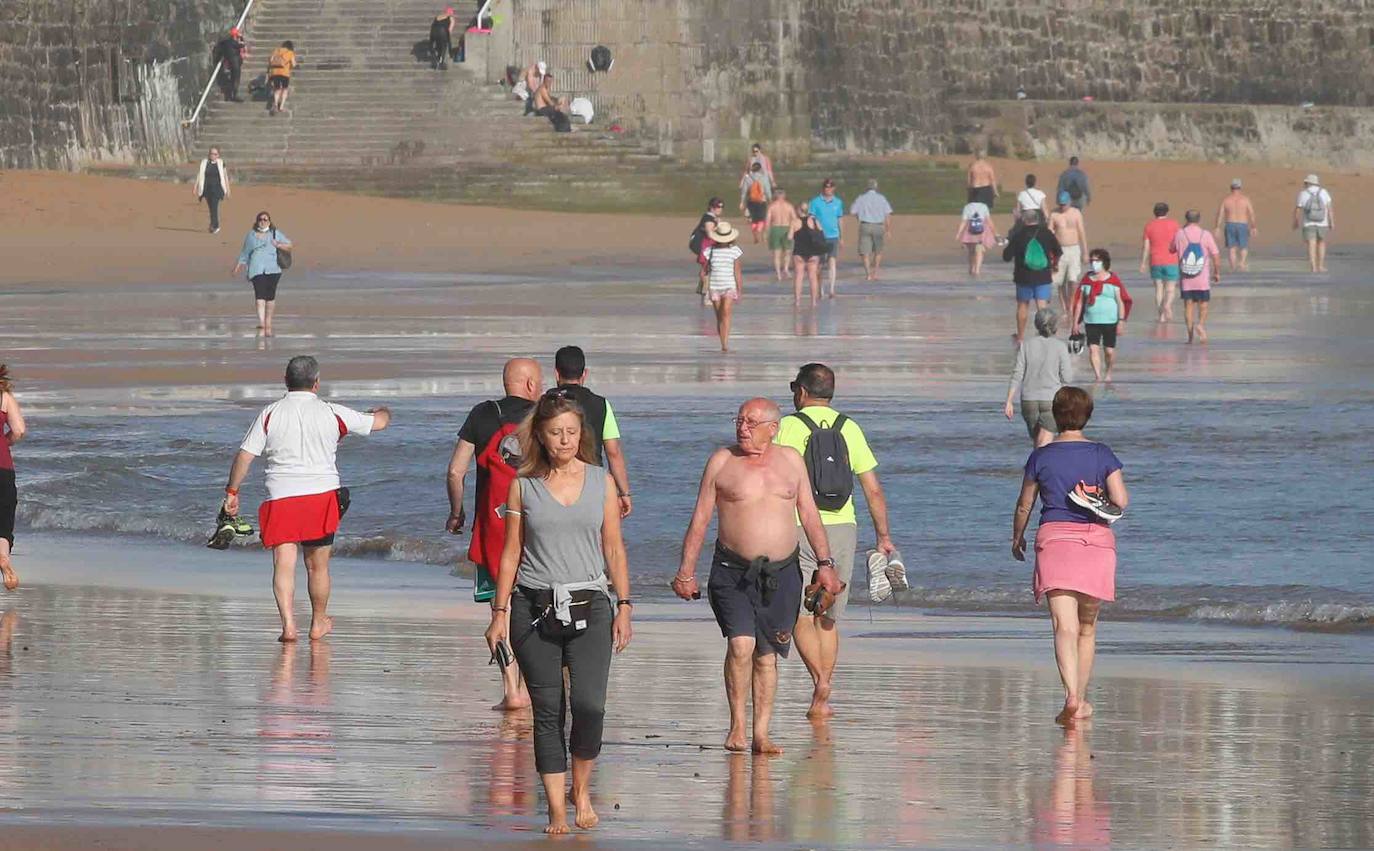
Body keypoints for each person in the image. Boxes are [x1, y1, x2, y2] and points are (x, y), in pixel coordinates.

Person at [482, 390, 632, 835]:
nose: (564, 440)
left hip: (592, 606)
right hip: (533, 607)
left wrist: (624, 605)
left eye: (571, 432)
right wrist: (499, 611)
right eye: (555, 433)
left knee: (589, 707)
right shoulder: (522, 485)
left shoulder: (602, 481)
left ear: (580, 434)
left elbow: (613, 548)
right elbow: (510, 552)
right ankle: (557, 810)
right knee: (548, 710)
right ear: (541, 437)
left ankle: (580, 789)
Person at [672, 398, 841, 753]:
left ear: (773, 428)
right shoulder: (722, 461)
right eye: (739, 421)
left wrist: (825, 564)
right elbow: (700, 518)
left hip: (782, 573)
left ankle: (761, 734)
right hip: (732, 572)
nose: (742, 428)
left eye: (751, 422)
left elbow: (810, 515)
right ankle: (737, 726)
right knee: (740, 644)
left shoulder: (791, 461)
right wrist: (686, 571)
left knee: (766, 655)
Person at [223, 356, 392, 642]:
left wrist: (232, 492)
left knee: (283, 565)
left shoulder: (270, 413)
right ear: (316, 383)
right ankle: (318, 621)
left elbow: (245, 456)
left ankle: (289, 626)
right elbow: (379, 423)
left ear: (285, 381)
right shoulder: (331, 412)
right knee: (318, 566)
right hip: (321, 497)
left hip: (281, 497)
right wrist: (383, 410)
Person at [776, 364, 896, 718]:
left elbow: (774, 481)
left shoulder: (788, 426)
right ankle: (824, 692)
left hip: (798, 527)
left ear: (800, 392)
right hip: (844, 526)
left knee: (798, 612)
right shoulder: (850, 428)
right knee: (827, 615)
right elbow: (872, 488)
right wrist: (883, 536)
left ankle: (819, 682)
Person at [1011, 386, 1129, 725]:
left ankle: (1071, 698)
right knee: (1087, 628)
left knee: (1064, 625)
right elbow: (1120, 500)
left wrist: (1017, 537)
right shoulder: (1102, 454)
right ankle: (1082, 697)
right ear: (1087, 415)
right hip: (1096, 544)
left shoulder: (1041, 456)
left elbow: (1024, 504)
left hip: (1056, 541)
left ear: (1056, 416)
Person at [447, 357, 543, 710]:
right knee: (537, 608)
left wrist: (457, 513)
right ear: (532, 384)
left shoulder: (482, 414)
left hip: (493, 530)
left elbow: (456, 471)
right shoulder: (548, 416)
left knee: (499, 610)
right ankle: (538, 686)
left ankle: (511, 690)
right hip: (537, 529)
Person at [553, 346, 632, 517]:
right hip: (592, 482)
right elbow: (613, 452)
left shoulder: (545, 403)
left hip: (552, 480)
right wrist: (623, 492)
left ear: (556, 374)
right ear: (584, 374)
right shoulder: (601, 404)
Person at [1005, 309, 1072, 448]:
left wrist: (1009, 401)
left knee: (1037, 443)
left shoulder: (1026, 345)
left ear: (1036, 324)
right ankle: (1039, 468)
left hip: (1028, 401)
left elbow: (1017, 374)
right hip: (1051, 400)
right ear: (1055, 326)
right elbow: (1067, 377)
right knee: (1044, 444)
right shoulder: (1060, 346)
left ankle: (1034, 468)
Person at [1069, 249, 1132, 382]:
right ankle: (1097, 376)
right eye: (1092, 261)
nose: (1094, 263)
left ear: (1104, 262)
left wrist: (1121, 321)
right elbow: (1079, 302)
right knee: (1093, 349)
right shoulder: (1086, 280)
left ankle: (1108, 372)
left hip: (1110, 321)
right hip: (1091, 321)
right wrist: (1075, 322)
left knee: (1109, 351)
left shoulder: (1113, 280)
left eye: (1097, 261)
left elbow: (1121, 301)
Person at [1003, 209, 1062, 345]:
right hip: (1043, 275)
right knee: (1042, 306)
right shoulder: (1047, 233)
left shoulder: (1018, 235)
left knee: (1023, 306)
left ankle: (1021, 338)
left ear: (1024, 220)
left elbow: (1006, 257)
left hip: (1023, 277)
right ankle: (1045, 337)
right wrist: (1054, 265)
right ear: (1038, 219)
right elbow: (1058, 251)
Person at [232, 211, 292, 337]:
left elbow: (290, 245)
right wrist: (238, 266)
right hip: (256, 269)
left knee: (270, 297)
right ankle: (261, 322)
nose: (263, 221)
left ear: (269, 221)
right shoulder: (251, 235)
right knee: (260, 296)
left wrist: (279, 244)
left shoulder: (275, 233)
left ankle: (268, 321)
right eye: (260, 219)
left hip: (273, 269)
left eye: (265, 219)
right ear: (257, 221)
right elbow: (245, 252)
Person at [1173, 209, 1221, 344]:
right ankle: (1200, 325)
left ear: (1186, 219)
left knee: (1188, 306)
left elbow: (1171, 249)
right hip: (1202, 279)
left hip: (1186, 278)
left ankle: (1189, 336)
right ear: (1199, 219)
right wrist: (1217, 272)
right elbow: (1216, 255)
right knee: (1204, 305)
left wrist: (1182, 231)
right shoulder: (1205, 234)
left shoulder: (1180, 234)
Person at [0, 365, 27, 593]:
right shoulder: (4, 397)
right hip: (3, 467)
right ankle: (3, 557)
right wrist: (4, 442)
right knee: (4, 522)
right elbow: (19, 430)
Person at [704, 221, 744, 352]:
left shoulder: (735, 251)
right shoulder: (710, 251)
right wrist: (704, 283)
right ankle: (722, 341)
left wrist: (739, 289)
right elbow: (705, 270)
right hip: (715, 286)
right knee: (719, 316)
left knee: (726, 313)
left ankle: (725, 345)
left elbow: (737, 271)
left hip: (729, 286)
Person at [1139, 202, 1181, 323]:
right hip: (1171, 259)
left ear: (1155, 212)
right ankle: (1167, 305)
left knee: (1158, 288)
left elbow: (1146, 247)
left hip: (1155, 260)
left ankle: (1161, 316)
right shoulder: (1174, 224)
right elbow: (1179, 242)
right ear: (1167, 212)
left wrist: (1143, 263)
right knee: (1171, 288)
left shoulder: (1149, 226)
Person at [1049, 191, 1088, 314]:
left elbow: (1081, 232)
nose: (1062, 207)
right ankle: (1064, 307)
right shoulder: (1054, 214)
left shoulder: (1076, 213)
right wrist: (1050, 253)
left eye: (1064, 204)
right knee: (1060, 281)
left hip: (1074, 249)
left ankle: (1071, 306)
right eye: (1060, 204)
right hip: (1059, 250)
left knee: (1073, 279)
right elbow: (1049, 233)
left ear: (1069, 202)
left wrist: (1085, 251)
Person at [849, 179, 893, 282]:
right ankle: (875, 272)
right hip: (878, 226)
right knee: (878, 250)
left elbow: (852, 211)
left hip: (865, 225)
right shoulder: (882, 198)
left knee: (865, 252)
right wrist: (888, 229)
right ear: (876, 187)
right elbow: (888, 214)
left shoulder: (861, 198)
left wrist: (858, 217)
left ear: (867, 187)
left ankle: (868, 274)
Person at [808, 179, 844, 298]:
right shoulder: (815, 202)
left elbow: (839, 219)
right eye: (826, 187)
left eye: (830, 187)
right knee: (819, 264)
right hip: (819, 236)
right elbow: (811, 218)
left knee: (832, 261)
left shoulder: (838, 202)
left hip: (833, 236)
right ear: (823, 188)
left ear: (834, 188)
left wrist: (841, 236)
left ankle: (832, 289)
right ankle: (820, 289)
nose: (827, 189)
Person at [1293, 174, 1334, 273]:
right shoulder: (1324, 192)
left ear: (1308, 183)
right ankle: (1320, 266)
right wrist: (1331, 221)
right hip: (1322, 222)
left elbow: (1298, 209)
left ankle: (1313, 267)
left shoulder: (1303, 193)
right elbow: (1329, 208)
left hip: (1308, 223)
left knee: (1311, 244)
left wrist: (1296, 221)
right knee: (1321, 243)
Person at [1215, 179, 1258, 272]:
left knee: (1232, 247)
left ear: (1231, 188)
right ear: (1240, 188)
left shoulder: (1226, 200)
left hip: (1230, 224)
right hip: (1242, 224)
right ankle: (1241, 263)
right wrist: (1253, 227)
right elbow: (1251, 213)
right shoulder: (1245, 200)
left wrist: (1217, 227)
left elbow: (1220, 214)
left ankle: (1233, 266)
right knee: (1243, 246)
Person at [790, 204, 826, 305]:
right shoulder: (815, 221)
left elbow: (789, 237)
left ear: (798, 210)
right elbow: (822, 235)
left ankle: (797, 301)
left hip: (799, 252)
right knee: (813, 277)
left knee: (799, 277)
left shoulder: (795, 222)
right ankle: (814, 302)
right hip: (813, 252)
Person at [691, 197, 724, 301]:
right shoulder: (708, 218)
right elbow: (710, 233)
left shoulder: (711, 217)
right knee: (706, 269)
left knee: (707, 269)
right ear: (711, 207)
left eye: (721, 207)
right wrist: (718, 225)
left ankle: (703, 291)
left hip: (705, 245)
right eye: (717, 207)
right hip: (703, 246)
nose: (719, 209)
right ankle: (706, 295)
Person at [956, 196, 998, 277]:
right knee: (979, 250)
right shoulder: (984, 206)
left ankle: (971, 268)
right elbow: (989, 221)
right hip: (981, 231)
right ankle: (977, 270)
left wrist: (959, 233)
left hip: (970, 231)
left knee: (971, 251)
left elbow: (964, 221)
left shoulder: (967, 207)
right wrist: (995, 232)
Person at [194, 147, 230, 234]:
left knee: (214, 207)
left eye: (215, 154)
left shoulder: (221, 163)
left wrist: (228, 189)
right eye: (211, 153)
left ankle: (214, 226)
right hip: (206, 188)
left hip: (217, 188)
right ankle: (214, 225)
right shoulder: (204, 163)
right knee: (211, 208)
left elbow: (225, 176)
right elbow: (199, 174)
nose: (213, 155)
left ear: (218, 155)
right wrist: (195, 186)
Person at [765, 188, 798, 281]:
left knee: (777, 253)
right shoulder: (789, 206)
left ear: (776, 195)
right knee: (788, 251)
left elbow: (767, 221)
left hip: (775, 228)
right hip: (786, 228)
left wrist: (766, 233)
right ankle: (786, 269)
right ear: (784, 195)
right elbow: (794, 219)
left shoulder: (772, 206)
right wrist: (795, 230)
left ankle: (779, 273)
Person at [739, 163, 773, 244]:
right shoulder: (764, 177)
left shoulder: (747, 178)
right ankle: (759, 230)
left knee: (753, 220)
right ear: (760, 169)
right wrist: (770, 199)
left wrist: (742, 201)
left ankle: (755, 235)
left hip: (751, 201)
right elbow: (767, 190)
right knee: (761, 219)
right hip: (762, 201)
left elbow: (744, 191)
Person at [212, 28, 245, 102]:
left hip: (229, 64)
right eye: (237, 35)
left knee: (232, 79)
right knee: (236, 79)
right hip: (235, 64)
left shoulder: (225, 43)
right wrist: (241, 37)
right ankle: (234, 95)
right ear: (235, 36)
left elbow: (219, 50)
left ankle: (229, 95)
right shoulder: (234, 43)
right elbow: (242, 44)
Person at [266, 41, 297, 115]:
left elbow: (270, 61)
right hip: (284, 73)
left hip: (275, 72)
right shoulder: (290, 52)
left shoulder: (276, 50)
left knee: (277, 89)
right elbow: (293, 64)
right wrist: (291, 66)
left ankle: (276, 104)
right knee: (285, 89)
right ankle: (281, 107)